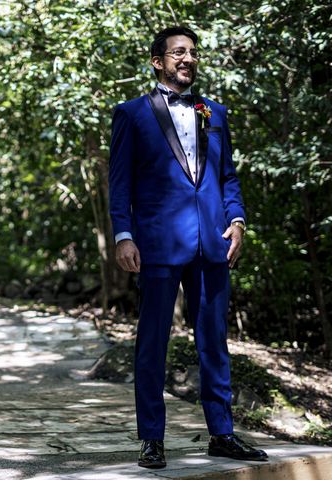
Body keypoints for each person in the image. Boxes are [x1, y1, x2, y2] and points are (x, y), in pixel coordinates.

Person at [108, 26, 268, 469]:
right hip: (157, 244)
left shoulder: (215, 112)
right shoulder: (131, 114)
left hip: (213, 244)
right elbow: (119, 183)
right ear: (158, 61)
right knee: (152, 344)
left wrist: (236, 221)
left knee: (214, 342)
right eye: (178, 52)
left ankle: (222, 434)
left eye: (192, 53)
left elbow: (227, 176)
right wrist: (124, 235)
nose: (188, 59)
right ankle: (152, 440)